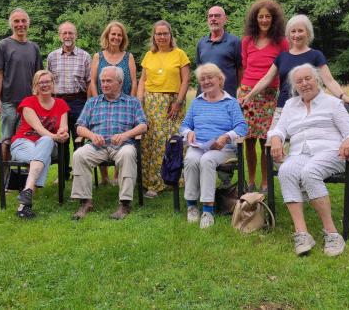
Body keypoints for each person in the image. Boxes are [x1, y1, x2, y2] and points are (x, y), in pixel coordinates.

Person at [267, 64, 349, 256]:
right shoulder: (290, 105)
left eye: (308, 78)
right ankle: (302, 233)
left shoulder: (333, 103)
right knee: (286, 170)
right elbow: (279, 129)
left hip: (330, 152)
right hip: (300, 154)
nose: (304, 84)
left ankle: (332, 233)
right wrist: (277, 138)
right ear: (294, 86)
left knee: (310, 172)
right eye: (299, 81)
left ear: (317, 80)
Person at [241, 14, 349, 127]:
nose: (296, 35)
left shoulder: (316, 56)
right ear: (288, 34)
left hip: (310, 109)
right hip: (283, 109)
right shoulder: (282, 57)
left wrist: (344, 97)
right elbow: (266, 79)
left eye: (300, 31)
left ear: (308, 33)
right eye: (293, 31)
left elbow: (329, 81)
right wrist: (249, 96)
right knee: (273, 144)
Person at [70, 66, 147, 221]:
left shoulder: (132, 102)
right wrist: (91, 135)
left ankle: (124, 204)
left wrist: (126, 135)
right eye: (102, 81)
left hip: (122, 146)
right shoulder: (92, 102)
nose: (104, 84)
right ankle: (85, 202)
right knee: (79, 154)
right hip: (97, 146)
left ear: (119, 82)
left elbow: (143, 126)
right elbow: (79, 127)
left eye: (108, 81)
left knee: (128, 154)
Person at [180, 63, 247, 229]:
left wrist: (226, 136)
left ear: (220, 80)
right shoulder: (197, 103)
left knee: (207, 160)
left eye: (210, 78)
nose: (206, 81)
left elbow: (242, 127)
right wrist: (188, 132)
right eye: (202, 79)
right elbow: (184, 125)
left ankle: (208, 210)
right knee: (190, 159)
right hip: (200, 145)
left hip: (223, 148)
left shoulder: (230, 103)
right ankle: (191, 206)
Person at [238, 0, 289, 193]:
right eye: (261, 16)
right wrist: (244, 92)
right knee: (248, 141)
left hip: (269, 96)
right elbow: (245, 66)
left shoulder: (281, 42)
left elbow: (284, 68)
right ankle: (251, 181)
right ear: (255, 19)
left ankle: (265, 182)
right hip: (248, 95)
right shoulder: (247, 41)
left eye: (268, 16)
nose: (264, 20)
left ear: (274, 19)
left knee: (266, 140)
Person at [137, 20, 190, 198]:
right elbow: (142, 81)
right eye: (158, 34)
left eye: (165, 33)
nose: (161, 37)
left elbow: (185, 81)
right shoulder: (148, 55)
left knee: (171, 142)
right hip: (152, 103)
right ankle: (150, 181)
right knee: (151, 141)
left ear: (170, 35)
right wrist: (139, 103)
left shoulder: (180, 54)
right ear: (154, 36)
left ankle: (170, 179)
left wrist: (179, 102)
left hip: (172, 102)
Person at [10, 70, 70, 219]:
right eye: (40, 83)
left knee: (46, 142)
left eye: (48, 82)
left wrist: (63, 133)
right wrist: (56, 136)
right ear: (35, 86)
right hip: (23, 143)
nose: (44, 85)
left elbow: (64, 127)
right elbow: (39, 129)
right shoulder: (28, 102)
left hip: (48, 145)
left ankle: (27, 191)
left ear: (53, 84)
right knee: (43, 155)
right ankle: (25, 204)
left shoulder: (61, 104)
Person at [90, 21, 137, 185]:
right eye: (113, 34)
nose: (116, 37)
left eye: (119, 35)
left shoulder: (128, 56)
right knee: (101, 133)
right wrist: (96, 101)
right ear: (107, 36)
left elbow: (134, 82)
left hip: (124, 104)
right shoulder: (98, 56)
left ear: (122, 37)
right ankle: (104, 177)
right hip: (101, 103)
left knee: (121, 136)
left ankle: (117, 175)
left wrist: (131, 102)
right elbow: (92, 81)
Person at [0, 8, 43, 141]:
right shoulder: (3, 45)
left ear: (28, 24)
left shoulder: (34, 47)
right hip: (9, 102)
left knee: (26, 139)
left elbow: (39, 76)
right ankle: (4, 163)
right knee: (6, 139)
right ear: (11, 24)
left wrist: (40, 99)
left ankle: (26, 162)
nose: (20, 24)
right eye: (16, 21)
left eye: (23, 21)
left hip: (29, 102)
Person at [47, 21, 91, 179]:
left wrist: (89, 105)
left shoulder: (85, 56)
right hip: (58, 103)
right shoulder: (52, 57)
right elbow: (49, 83)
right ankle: (63, 173)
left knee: (79, 139)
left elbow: (89, 82)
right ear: (60, 36)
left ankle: (79, 174)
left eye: (70, 33)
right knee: (62, 139)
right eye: (64, 33)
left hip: (79, 101)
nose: (67, 36)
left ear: (76, 35)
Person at [196, 6, 242, 98]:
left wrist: (238, 88)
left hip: (227, 97)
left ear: (225, 19)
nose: (213, 19)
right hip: (205, 97)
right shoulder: (201, 43)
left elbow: (241, 69)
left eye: (217, 16)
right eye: (210, 16)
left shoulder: (234, 42)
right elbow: (199, 70)